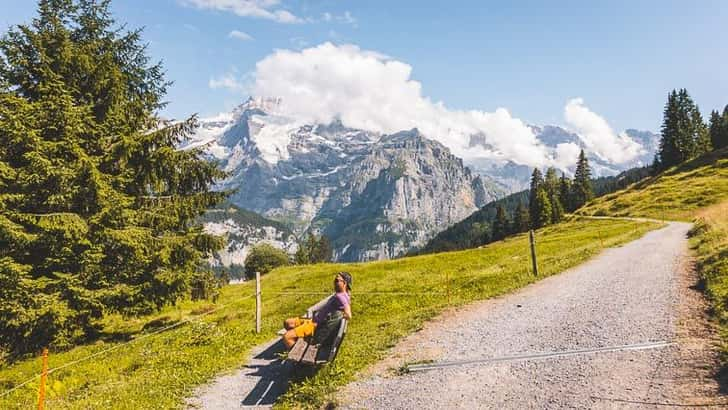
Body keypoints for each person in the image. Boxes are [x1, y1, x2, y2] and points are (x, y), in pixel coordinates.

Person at [282, 271, 352, 349]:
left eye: (336, 280)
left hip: (314, 326)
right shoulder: (342, 294)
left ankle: (295, 354)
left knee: (287, 337)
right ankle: (298, 337)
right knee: (288, 323)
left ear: (344, 283)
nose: (334, 283)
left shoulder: (341, 297)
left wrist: (332, 318)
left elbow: (348, 314)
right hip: (312, 320)